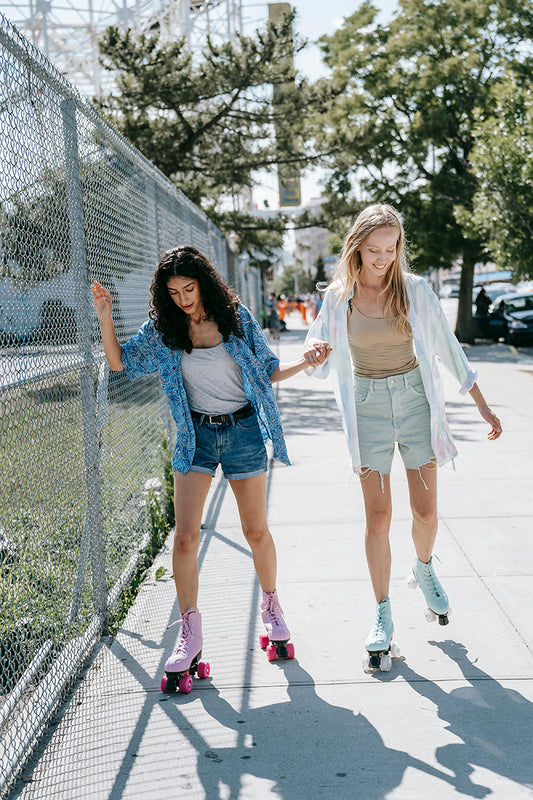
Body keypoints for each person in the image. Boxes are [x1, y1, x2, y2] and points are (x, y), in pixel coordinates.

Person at [92, 246, 327, 685]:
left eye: (189, 288)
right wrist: (105, 316)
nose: (183, 298)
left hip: (242, 434)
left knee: (255, 531)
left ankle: (272, 608)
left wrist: (306, 361)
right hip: (194, 437)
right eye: (174, 291)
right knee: (184, 538)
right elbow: (120, 362)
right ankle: (190, 632)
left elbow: (267, 371)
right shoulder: (164, 330)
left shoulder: (235, 319)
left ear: (203, 282)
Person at [304, 204, 502, 672]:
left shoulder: (414, 290)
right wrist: (312, 354)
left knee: (425, 511)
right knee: (377, 518)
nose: (383, 258)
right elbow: (317, 349)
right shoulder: (338, 298)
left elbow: (447, 348)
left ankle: (425, 565)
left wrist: (481, 402)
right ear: (356, 248)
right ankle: (381, 614)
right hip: (368, 407)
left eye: (391, 249)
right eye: (374, 249)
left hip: (415, 403)